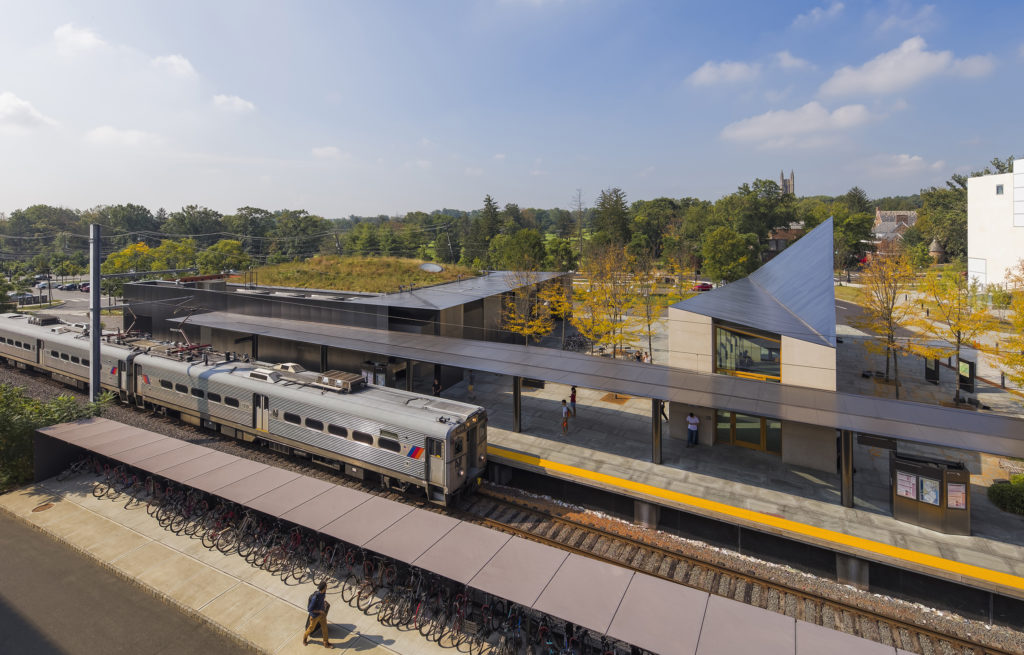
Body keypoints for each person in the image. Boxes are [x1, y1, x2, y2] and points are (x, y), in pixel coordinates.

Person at [302, 581, 332, 648]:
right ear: (323, 588)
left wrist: (323, 603)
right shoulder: (315, 598)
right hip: (314, 616)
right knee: (311, 629)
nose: (326, 588)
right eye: (326, 587)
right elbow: (310, 609)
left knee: (325, 628)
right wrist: (320, 611)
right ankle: (304, 639)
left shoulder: (323, 593)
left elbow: (322, 600)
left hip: (322, 615)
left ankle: (326, 643)